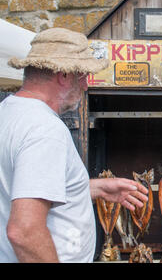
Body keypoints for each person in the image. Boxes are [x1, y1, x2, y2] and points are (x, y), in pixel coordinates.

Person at [0, 28, 148, 262]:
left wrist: (93, 188)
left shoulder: (8, 114)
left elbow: (21, 189)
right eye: (83, 76)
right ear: (64, 75)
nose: (86, 86)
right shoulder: (44, 129)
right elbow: (24, 232)